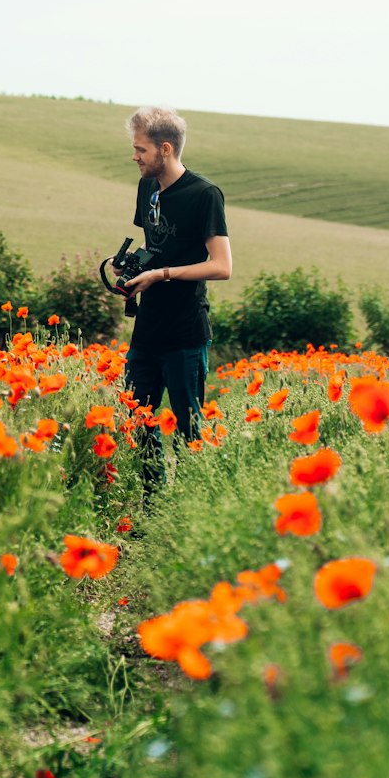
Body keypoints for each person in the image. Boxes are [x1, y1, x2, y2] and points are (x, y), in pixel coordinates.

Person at [113, 107, 232, 497]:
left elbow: (221, 266)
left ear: (165, 149)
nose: (135, 156)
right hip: (147, 330)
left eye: (140, 149)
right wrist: (132, 272)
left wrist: (161, 275)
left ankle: (189, 504)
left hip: (185, 332)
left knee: (189, 429)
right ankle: (152, 502)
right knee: (138, 420)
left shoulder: (204, 195)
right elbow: (157, 244)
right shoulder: (147, 188)